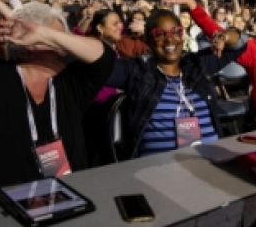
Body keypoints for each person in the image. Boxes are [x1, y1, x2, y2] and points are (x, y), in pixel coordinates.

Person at [0, 0, 115, 195]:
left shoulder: (70, 85)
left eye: (62, 38)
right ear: (27, 43)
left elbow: (105, 57)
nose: (65, 47)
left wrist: (46, 34)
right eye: (55, 41)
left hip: (60, 207)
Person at [105, 8, 246, 158]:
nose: (170, 39)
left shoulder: (197, 65)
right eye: (159, 34)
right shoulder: (137, 71)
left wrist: (224, 35)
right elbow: (96, 67)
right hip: (158, 171)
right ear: (148, 40)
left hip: (211, 163)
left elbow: (241, 43)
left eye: (176, 32)